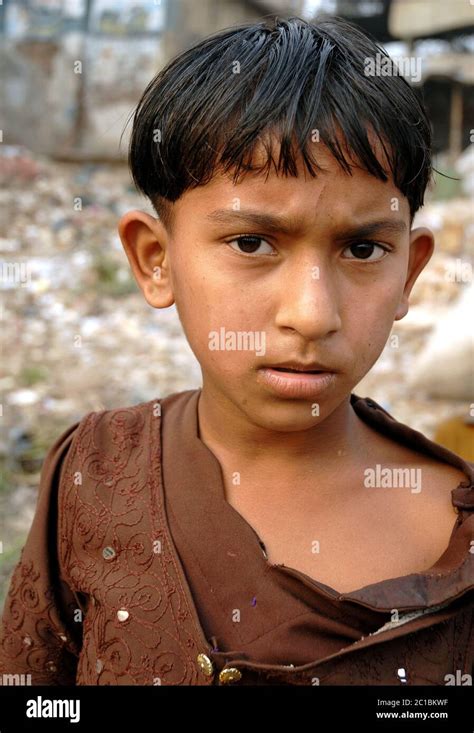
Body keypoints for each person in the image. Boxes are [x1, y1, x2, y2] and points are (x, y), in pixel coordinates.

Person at [0, 15, 472, 687]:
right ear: (154, 259)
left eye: (363, 248)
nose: (311, 314)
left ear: (411, 273)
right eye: (253, 242)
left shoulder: (456, 541)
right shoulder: (95, 472)